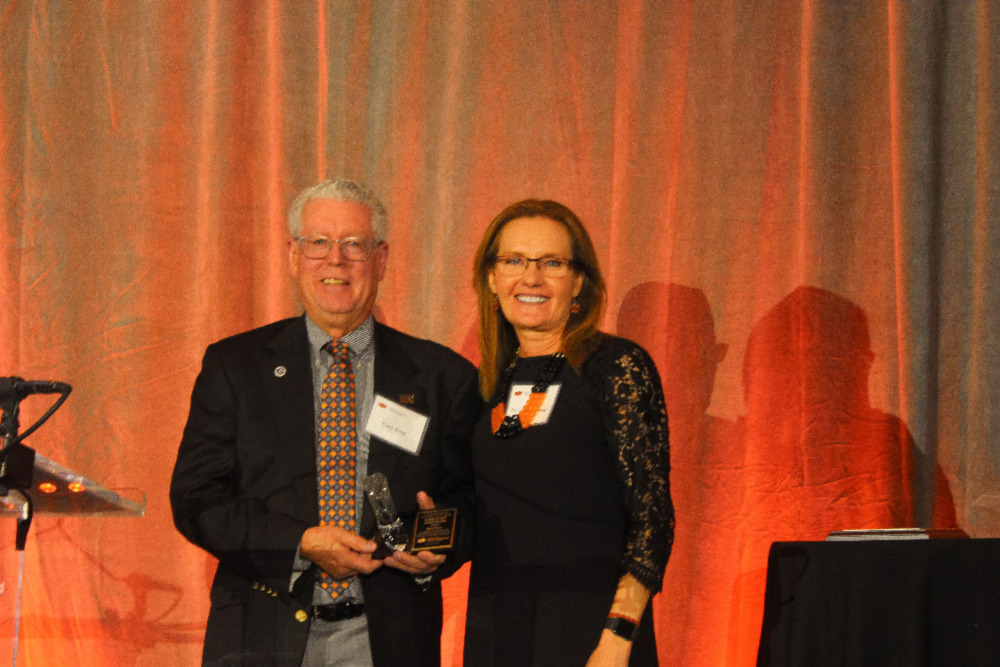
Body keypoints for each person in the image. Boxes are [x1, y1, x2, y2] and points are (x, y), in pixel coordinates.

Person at [170, 178, 481, 667]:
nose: (335, 260)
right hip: (262, 633)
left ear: (381, 260)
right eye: (318, 243)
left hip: (389, 639)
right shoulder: (235, 366)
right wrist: (299, 543)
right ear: (294, 256)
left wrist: (432, 543)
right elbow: (197, 497)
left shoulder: (444, 377)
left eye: (354, 244)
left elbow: (469, 499)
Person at [464, 200, 674, 666]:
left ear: (578, 281)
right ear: (492, 279)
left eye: (552, 263)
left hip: (593, 633)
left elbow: (652, 518)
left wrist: (619, 635)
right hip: (498, 627)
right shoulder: (484, 384)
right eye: (514, 260)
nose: (531, 278)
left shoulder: (615, 367)